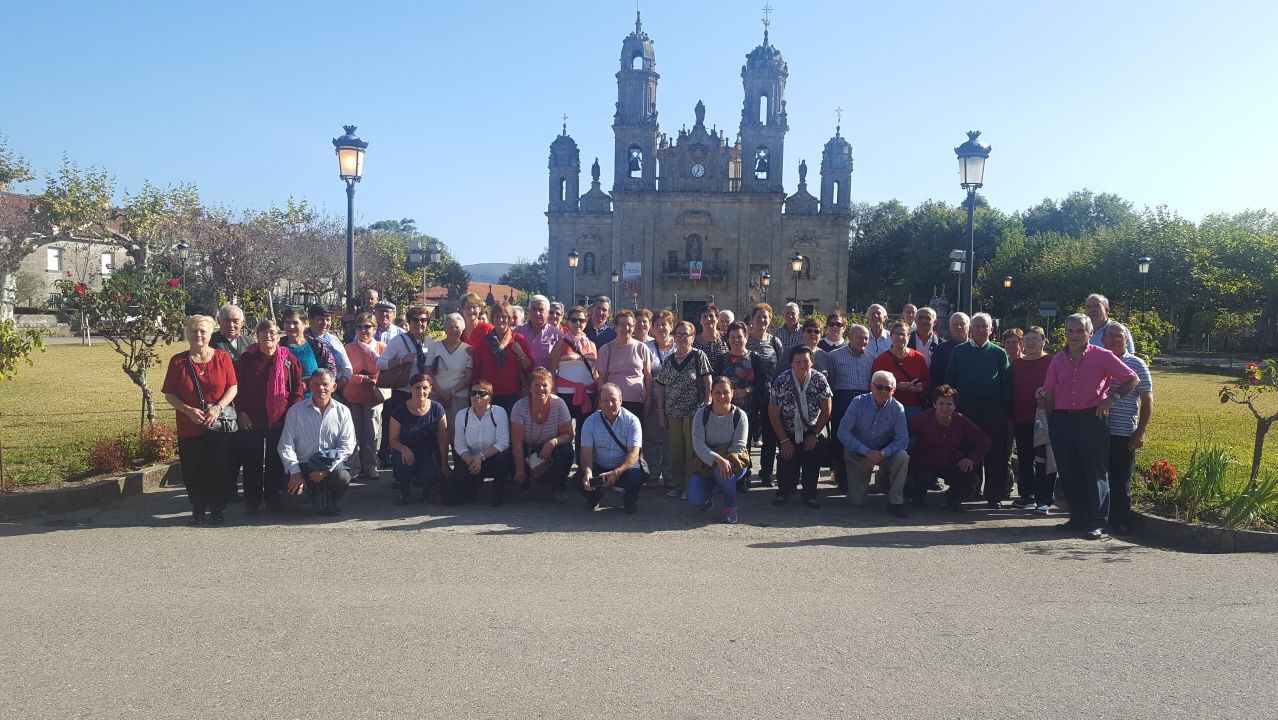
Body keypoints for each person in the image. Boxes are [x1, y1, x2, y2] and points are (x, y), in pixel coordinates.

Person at [1043, 313, 1138, 540]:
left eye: (1080, 331)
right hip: (1062, 420)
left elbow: (1131, 378)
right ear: (1065, 333)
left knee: (1095, 472)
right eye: (1070, 331)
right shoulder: (1058, 359)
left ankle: (1097, 522)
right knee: (1069, 471)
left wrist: (1111, 399)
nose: (1074, 335)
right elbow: (1048, 391)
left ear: (1090, 333)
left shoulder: (1102, 356)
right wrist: (1052, 420)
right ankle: (1077, 518)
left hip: (1091, 419)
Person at [162, 315, 239, 525]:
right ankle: (197, 509)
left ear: (210, 333)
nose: (198, 335)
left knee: (219, 467)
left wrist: (218, 407)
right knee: (193, 469)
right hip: (190, 425)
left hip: (218, 423)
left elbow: (233, 387)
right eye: (194, 331)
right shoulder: (178, 361)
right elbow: (169, 393)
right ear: (187, 334)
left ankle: (217, 510)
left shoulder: (223, 358)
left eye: (203, 331)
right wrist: (187, 410)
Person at [235, 318, 305, 514]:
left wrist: (292, 412)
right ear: (257, 337)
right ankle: (252, 502)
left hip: (280, 419)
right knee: (252, 461)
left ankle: (273, 500)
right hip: (252, 419)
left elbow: (297, 387)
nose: (268, 336)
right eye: (263, 333)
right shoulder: (247, 359)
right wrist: (241, 412)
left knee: (276, 461)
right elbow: (237, 388)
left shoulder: (289, 360)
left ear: (278, 336)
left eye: (272, 333)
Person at [945, 313, 1013, 507]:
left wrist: (1003, 411)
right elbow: (950, 380)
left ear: (991, 329)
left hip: (993, 411)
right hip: (966, 411)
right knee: (966, 452)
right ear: (971, 329)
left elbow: (1007, 384)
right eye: (977, 326)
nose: (981, 330)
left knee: (995, 454)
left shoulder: (999, 353)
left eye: (985, 326)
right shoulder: (959, 351)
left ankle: (994, 496)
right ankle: (967, 491)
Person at [277, 369, 356, 516]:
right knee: (293, 504)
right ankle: (316, 498)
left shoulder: (343, 411)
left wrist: (327, 469)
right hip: (302, 466)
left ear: (334, 387)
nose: (321, 388)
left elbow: (348, 445)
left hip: (329, 465)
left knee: (342, 477)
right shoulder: (295, 411)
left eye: (325, 384)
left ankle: (329, 501)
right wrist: (295, 473)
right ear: (310, 386)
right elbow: (285, 445)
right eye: (316, 384)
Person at [1101, 321, 1153, 534]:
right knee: (1098, 477)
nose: (1114, 339)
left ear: (1126, 340)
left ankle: (1118, 521)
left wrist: (1140, 431)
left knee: (1121, 478)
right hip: (1097, 429)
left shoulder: (1136, 364)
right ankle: (1098, 517)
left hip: (1123, 430)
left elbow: (1147, 399)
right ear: (1102, 340)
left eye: (1119, 336)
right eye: (1110, 336)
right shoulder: (1096, 360)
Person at [837, 370, 910, 516]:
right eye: (879, 387)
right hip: (858, 452)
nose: (883, 391)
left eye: (888, 388)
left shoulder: (897, 408)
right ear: (871, 386)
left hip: (883, 452)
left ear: (893, 390)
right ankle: (875, 481)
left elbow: (903, 440)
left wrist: (882, 454)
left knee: (903, 456)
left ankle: (895, 500)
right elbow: (843, 433)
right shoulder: (857, 402)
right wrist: (867, 452)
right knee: (856, 502)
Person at [907, 385, 991, 511]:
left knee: (969, 475)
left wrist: (971, 459)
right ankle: (917, 496)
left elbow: (984, 440)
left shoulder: (961, 420)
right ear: (934, 404)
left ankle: (954, 499)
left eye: (949, 404)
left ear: (955, 406)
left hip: (950, 463)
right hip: (925, 463)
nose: (945, 407)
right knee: (922, 476)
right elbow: (904, 433)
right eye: (941, 403)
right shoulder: (923, 418)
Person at [655, 321, 713, 497]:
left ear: (693, 337)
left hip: (693, 412)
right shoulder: (669, 360)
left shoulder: (698, 356)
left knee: (691, 451)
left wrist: (707, 401)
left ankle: (690, 487)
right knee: (676, 451)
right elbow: (661, 388)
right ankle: (678, 485)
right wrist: (661, 412)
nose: (681, 337)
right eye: (678, 334)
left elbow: (708, 381)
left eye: (685, 334)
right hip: (672, 413)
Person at [769, 346, 832, 508]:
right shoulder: (782, 381)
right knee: (787, 456)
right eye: (797, 361)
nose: (802, 365)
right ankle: (783, 491)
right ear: (791, 363)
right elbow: (773, 413)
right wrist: (783, 440)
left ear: (812, 362)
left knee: (812, 456)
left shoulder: (819, 380)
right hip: (787, 429)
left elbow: (826, 411)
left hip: (812, 428)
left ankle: (810, 494)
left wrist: (815, 434)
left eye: (805, 361)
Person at [376, 304, 434, 469]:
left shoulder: (431, 342)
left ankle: (421, 469)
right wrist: (402, 360)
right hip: (403, 394)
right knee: (400, 434)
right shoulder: (399, 341)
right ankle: (400, 472)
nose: (419, 324)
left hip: (423, 395)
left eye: (423, 320)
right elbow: (380, 363)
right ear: (409, 322)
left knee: (422, 433)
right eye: (415, 320)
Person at [687, 377, 750, 524]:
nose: (722, 397)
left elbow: (739, 446)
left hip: (734, 461)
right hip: (707, 462)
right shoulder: (701, 414)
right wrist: (717, 459)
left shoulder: (740, 416)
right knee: (695, 500)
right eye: (717, 392)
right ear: (711, 393)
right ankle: (711, 493)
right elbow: (698, 444)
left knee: (722, 473)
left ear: (732, 393)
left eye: (726, 392)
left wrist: (723, 461)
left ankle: (731, 507)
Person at [579, 384, 646, 514]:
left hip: (623, 468)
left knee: (636, 477)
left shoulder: (632, 421)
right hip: (600, 465)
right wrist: (587, 472)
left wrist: (616, 472)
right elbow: (585, 453)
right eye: (605, 400)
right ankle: (594, 498)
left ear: (620, 400)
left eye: (613, 400)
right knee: (579, 479)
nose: (610, 404)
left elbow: (633, 454)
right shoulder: (589, 422)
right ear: (599, 402)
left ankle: (629, 501)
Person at [510, 368, 575, 502]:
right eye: (536, 385)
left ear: (551, 387)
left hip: (550, 449)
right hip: (527, 448)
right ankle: (524, 479)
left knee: (566, 450)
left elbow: (569, 434)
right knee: (509, 458)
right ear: (530, 388)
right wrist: (520, 470)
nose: (541, 388)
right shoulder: (519, 406)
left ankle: (559, 488)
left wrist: (552, 443)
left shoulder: (559, 403)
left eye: (545, 385)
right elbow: (516, 443)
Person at [1010, 326, 1056, 514]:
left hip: (1045, 418)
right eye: (1027, 339)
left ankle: (1044, 499)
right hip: (1021, 418)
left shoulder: (1052, 361)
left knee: (1044, 460)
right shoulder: (1016, 364)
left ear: (1043, 341)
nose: (1030, 342)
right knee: (1025, 458)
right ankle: (1027, 495)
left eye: (1035, 339)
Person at [388, 373, 450, 506]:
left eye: (425, 388)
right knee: (401, 461)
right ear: (410, 389)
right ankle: (404, 492)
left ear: (430, 389)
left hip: (428, 455)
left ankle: (427, 492)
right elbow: (392, 440)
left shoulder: (437, 408)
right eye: (417, 387)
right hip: (406, 454)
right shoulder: (399, 410)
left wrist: (445, 463)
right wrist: (403, 448)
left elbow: (443, 438)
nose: (421, 391)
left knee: (428, 477)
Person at [448, 379, 513, 506]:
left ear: (490, 397)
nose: (476, 396)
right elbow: (459, 445)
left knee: (503, 458)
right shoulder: (462, 415)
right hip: (471, 459)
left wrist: (480, 456)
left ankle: (498, 494)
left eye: (481, 393)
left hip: (491, 458)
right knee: (457, 492)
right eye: (473, 393)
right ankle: (472, 487)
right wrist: (471, 461)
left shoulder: (499, 413)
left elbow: (503, 443)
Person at [826, 324, 874, 491]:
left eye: (866, 338)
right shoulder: (834, 356)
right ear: (850, 337)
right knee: (841, 439)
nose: (863, 341)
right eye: (860, 337)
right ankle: (842, 479)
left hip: (864, 401)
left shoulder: (871, 358)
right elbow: (829, 382)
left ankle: (859, 481)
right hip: (843, 400)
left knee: (860, 439)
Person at [343, 312, 387, 481]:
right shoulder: (349, 348)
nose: (363, 330)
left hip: (373, 398)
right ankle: (354, 467)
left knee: (371, 434)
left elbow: (386, 373)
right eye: (359, 327)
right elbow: (344, 373)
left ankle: (370, 466)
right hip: (352, 396)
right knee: (353, 433)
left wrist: (374, 380)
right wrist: (363, 379)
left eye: (367, 326)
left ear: (375, 328)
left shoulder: (382, 348)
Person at [745, 303, 784, 486]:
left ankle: (766, 472)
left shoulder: (775, 342)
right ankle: (744, 473)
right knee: (745, 435)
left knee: (769, 436)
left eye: (765, 317)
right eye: (758, 317)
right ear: (752, 320)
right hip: (749, 393)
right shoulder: (745, 341)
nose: (762, 320)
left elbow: (782, 369)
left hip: (769, 393)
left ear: (770, 320)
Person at [550, 305, 599, 448]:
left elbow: (595, 371)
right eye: (574, 320)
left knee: (584, 432)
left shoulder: (591, 345)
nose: (578, 323)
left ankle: (582, 466)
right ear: (567, 322)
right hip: (565, 394)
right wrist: (552, 393)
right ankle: (561, 464)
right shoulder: (560, 343)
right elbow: (552, 371)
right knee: (563, 431)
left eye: (582, 320)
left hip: (588, 394)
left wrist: (599, 391)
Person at [471, 301, 534, 413]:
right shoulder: (484, 341)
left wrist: (520, 353)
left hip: (512, 394)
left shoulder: (518, 339)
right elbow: (477, 369)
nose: (500, 320)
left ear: (509, 319)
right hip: (488, 394)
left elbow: (529, 367)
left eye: (504, 317)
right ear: (492, 318)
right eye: (497, 316)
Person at [639, 309, 673, 488]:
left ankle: (668, 473)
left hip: (674, 401)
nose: (661, 328)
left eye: (664, 324)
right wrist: (647, 399)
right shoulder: (647, 347)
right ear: (652, 328)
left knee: (669, 438)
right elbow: (645, 375)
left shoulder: (677, 346)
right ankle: (653, 472)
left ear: (671, 326)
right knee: (651, 437)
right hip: (652, 399)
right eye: (657, 325)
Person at [596, 309, 652, 419]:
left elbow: (648, 377)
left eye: (630, 325)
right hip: (612, 403)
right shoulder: (606, 349)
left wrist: (648, 400)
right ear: (616, 327)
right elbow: (601, 378)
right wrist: (601, 401)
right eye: (622, 325)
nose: (626, 328)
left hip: (637, 402)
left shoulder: (642, 348)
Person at [872, 320, 930, 420]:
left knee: (911, 434)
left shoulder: (918, 358)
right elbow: (874, 385)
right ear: (891, 336)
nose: (900, 337)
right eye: (897, 334)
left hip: (913, 406)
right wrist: (896, 386)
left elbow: (927, 381)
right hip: (889, 406)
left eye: (903, 334)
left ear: (909, 337)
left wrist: (921, 387)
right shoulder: (881, 360)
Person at [426, 313, 474, 426]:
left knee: (456, 432)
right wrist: (441, 393)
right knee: (435, 432)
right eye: (450, 327)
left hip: (458, 397)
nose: (454, 330)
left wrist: (451, 392)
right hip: (435, 395)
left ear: (462, 329)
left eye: (457, 327)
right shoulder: (434, 346)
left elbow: (468, 377)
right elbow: (428, 373)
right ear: (445, 329)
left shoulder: (468, 350)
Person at [280, 306, 336, 386]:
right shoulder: (277, 346)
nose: (291, 326)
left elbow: (330, 371)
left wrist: (310, 383)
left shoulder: (317, 346)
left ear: (305, 324)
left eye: (295, 323)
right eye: (287, 322)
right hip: (284, 396)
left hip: (313, 396)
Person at [305, 305, 353, 392]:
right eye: (320, 319)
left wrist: (343, 381)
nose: (325, 323)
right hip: (315, 388)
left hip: (337, 387)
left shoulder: (333, 339)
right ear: (311, 319)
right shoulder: (304, 339)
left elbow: (347, 365)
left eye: (328, 320)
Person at [515, 294, 564, 370]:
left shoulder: (557, 336)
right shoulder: (517, 331)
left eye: (541, 310)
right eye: (534, 309)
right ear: (529, 311)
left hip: (545, 379)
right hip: (520, 379)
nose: (537, 313)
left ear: (547, 312)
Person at [721, 321, 756, 411]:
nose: (736, 340)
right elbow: (716, 381)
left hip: (750, 407)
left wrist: (746, 391)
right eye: (732, 337)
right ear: (728, 339)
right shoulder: (722, 359)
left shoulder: (754, 357)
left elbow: (761, 381)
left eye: (739, 337)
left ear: (746, 338)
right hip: (726, 405)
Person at [930, 312, 969, 390]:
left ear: (969, 327)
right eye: (955, 324)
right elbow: (935, 377)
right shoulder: (940, 349)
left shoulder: (975, 348)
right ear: (950, 328)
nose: (958, 327)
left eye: (962, 324)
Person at [693, 303, 728, 375]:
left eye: (711, 316)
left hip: (722, 382)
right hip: (701, 383)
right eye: (704, 316)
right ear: (700, 321)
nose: (708, 319)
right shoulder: (694, 341)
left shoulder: (726, 337)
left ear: (717, 319)